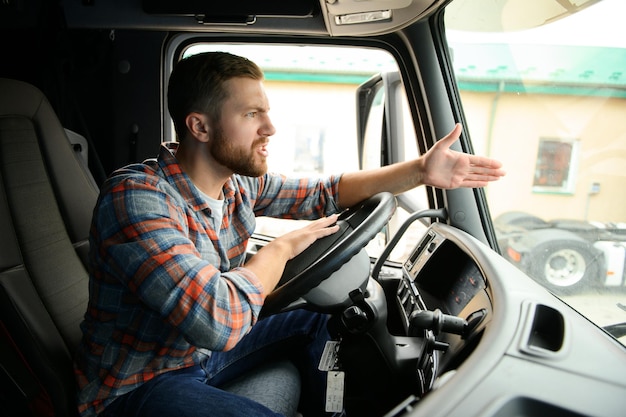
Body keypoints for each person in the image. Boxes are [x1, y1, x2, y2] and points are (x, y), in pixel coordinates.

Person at [73, 51, 505, 417]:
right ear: (200, 128)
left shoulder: (235, 183)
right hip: (137, 381)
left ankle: (329, 409)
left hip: (197, 355)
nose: (270, 128)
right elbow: (217, 319)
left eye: (266, 112)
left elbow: (323, 193)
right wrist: (278, 251)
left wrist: (419, 171)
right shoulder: (137, 198)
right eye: (251, 114)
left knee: (319, 318)